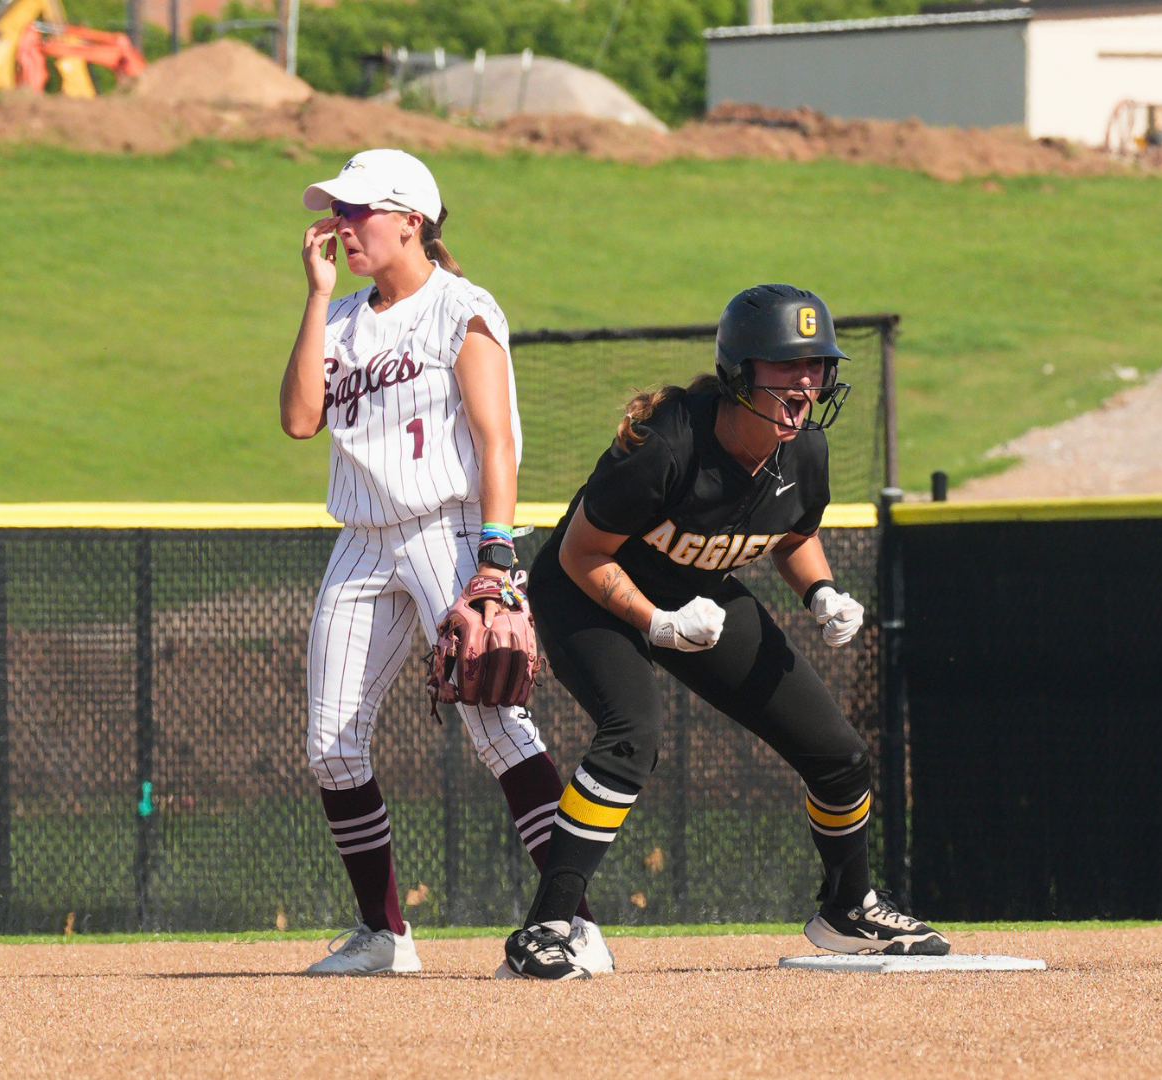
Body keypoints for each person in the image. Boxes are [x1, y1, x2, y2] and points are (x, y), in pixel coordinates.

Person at [500, 283, 950, 980]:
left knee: (839, 754)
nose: (807, 380)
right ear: (740, 374)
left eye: (816, 365)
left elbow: (792, 534)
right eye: (786, 365)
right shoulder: (666, 443)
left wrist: (822, 591)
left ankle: (848, 906)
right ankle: (551, 923)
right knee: (633, 735)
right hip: (587, 587)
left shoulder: (805, 449)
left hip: (698, 589)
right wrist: (656, 622)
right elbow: (579, 554)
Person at [279, 148, 610, 975]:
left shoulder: (459, 307)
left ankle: (573, 925)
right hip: (361, 539)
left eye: (360, 210)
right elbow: (296, 420)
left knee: (497, 724)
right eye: (340, 211)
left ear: (410, 220)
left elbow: (497, 441)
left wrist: (497, 556)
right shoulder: (345, 319)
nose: (344, 225)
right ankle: (384, 935)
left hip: (450, 530)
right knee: (331, 745)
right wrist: (317, 299)